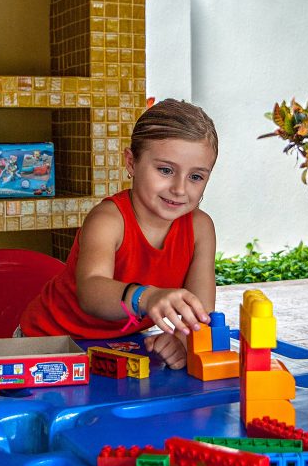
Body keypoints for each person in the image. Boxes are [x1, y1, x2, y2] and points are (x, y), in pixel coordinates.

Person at [19, 99, 219, 369]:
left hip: (122, 346)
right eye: (165, 170)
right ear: (131, 162)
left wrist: (183, 340)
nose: (179, 189)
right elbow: (91, 291)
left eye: (196, 177)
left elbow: (200, 313)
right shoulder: (108, 219)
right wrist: (147, 298)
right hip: (47, 344)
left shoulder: (200, 229)